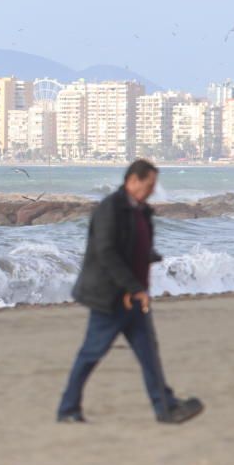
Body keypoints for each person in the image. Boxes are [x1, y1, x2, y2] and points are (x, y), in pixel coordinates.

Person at [57, 159, 204, 424]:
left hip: (134, 298)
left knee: (149, 354)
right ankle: (67, 409)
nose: (152, 190)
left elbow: (133, 244)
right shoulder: (110, 208)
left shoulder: (140, 210)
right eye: (149, 184)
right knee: (91, 353)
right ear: (133, 180)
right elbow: (106, 252)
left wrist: (149, 256)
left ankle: (166, 408)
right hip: (110, 298)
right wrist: (134, 287)